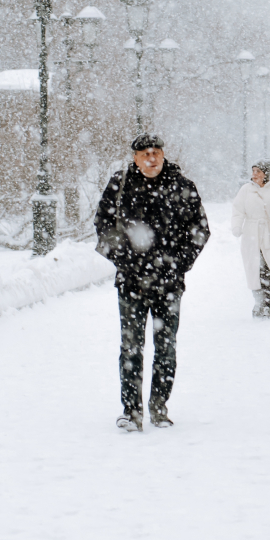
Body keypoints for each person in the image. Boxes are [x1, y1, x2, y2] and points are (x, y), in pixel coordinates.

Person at [95, 134, 209, 432]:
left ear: (163, 155)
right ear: (134, 157)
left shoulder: (181, 186)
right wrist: (123, 259)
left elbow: (200, 230)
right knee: (131, 347)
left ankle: (159, 407)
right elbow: (103, 226)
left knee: (166, 347)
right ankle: (131, 412)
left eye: (156, 152)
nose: (151, 158)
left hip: (168, 285)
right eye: (144, 153)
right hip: (131, 283)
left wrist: (178, 264)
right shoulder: (120, 185)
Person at [231, 159, 270, 319]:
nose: (254, 175)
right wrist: (237, 226)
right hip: (251, 233)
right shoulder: (246, 190)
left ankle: (267, 306)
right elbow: (238, 209)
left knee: (269, 270)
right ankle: (258, 303)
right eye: (253, 171)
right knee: (254, 269)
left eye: (258, 171)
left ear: (266, 174)